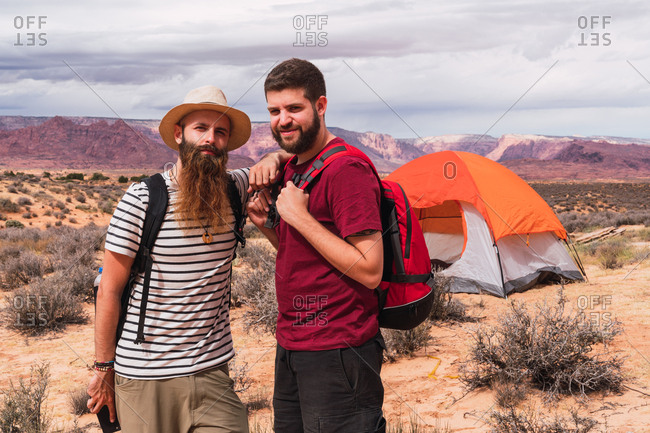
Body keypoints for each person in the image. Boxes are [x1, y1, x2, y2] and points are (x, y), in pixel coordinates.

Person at [86, 85, 286, 433]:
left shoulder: (236, 189)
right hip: (147, 379)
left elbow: (289, 157)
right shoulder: (143, 199)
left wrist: (272, 158)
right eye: (201, 128)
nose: (211, 139)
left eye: (220, 132)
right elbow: (109, 291)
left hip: (213, 375)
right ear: (179, 134)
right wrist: (104, 370)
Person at [247, 58, 387, 433]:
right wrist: (268, 226)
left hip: (340, 350)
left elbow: (370, 270)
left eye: (294, 108)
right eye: (274, 111)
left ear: (320, 106)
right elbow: (309, 258)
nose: (283, 120)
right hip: (293, 345)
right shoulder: (297, 166)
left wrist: (300, 217)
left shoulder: (347, 172)